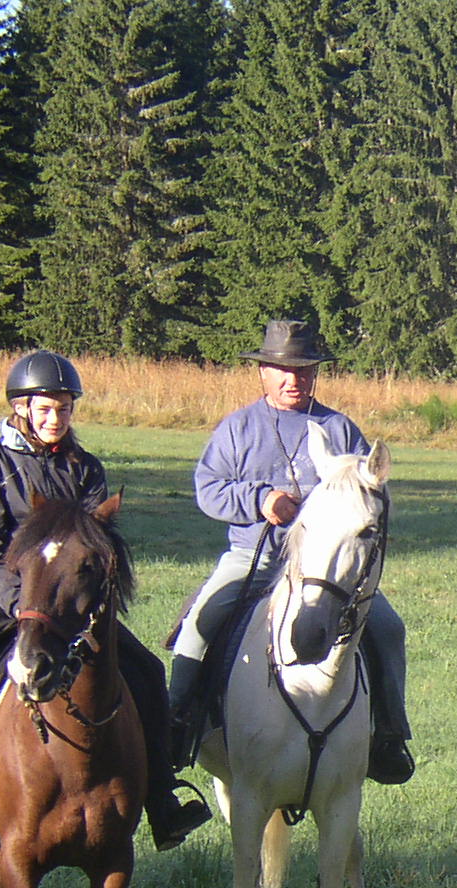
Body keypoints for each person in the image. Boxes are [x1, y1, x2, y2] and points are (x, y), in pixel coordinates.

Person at [0, 351, 212, 850]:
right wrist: (17, 599)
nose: (55, 419)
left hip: (69, 602)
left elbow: (96, 543)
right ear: (21, 408)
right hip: (9, 591)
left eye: (63, 409)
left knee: (147, 669)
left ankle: (160, 793)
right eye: (45, 409)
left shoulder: (85, 468)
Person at [167, 320, 413, 784]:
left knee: (387, 628)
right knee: (198, 627)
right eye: (281, 370)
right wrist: (259, 500)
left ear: (315, 373)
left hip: (328, 570)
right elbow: (208, 488)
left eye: (302, 370)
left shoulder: (340, 430)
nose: (292, 379)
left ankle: (389, 735)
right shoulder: (238, 428)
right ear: (262, 372)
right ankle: (176, 728)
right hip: (254, 558)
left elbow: (370, 496)